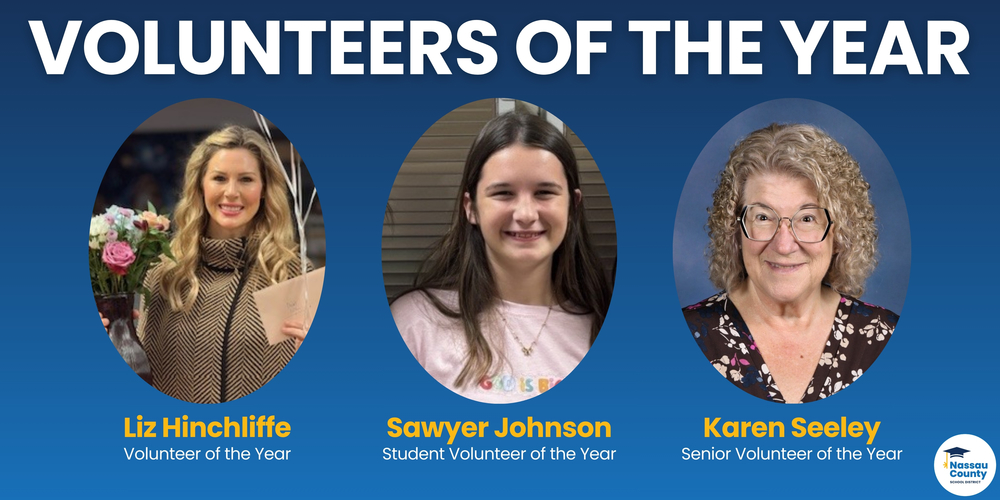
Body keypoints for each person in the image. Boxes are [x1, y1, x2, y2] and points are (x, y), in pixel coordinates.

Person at [390, 113, 613, 403]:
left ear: (572, 206)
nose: (525, 214)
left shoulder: (602, 323)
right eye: (503, 193)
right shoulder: (413, 323)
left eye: (544, 192)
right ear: (471, 208)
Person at [683, 123, 898, 403]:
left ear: (840, 231)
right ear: (734, 230)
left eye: (807, 218)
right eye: (763, 217)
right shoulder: (686, 335)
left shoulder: (886, 337)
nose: (784, 245)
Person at [129, 126, 309, 403]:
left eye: (246, 179)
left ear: (264, 190)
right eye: (219, 178)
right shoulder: (164, 272)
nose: (231, 192)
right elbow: (142, 376)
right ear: (200, 187)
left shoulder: (294, 275)